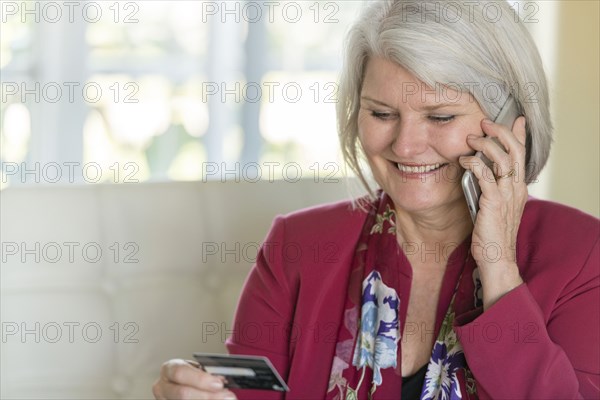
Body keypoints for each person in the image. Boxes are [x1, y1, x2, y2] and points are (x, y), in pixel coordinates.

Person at [152, 1, 600, 399]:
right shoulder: (297, 244)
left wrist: (499, 266)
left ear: (509, 124)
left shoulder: (582, 254)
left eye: (440, 116)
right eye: (381, 114)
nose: (404, 146)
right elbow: (248, 393)